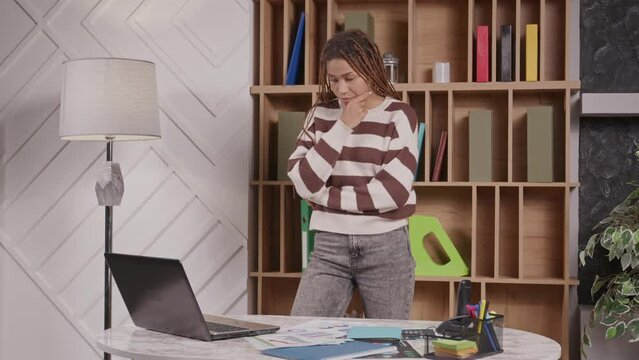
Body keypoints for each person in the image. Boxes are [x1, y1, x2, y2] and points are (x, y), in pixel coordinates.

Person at [287, 29, 419, 320]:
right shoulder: (319, 115)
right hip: (329, 246)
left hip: (386, 246)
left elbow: (393, 193)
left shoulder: (399, 116)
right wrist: (343, 126)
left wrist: (324, 198)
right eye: (334, 80)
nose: (341, 89)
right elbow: (303, 182)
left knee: (387, 345)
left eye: (349, 78)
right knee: (301, 335)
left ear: (371, 70)